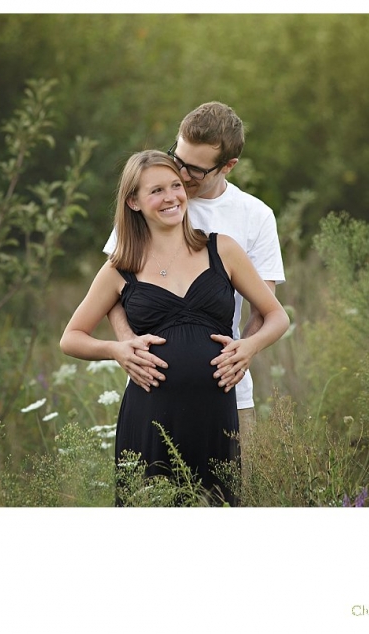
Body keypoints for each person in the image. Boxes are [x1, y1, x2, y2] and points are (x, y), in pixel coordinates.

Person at [61, 150, 290, 505]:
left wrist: (249, 346)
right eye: (156, 191)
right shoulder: (120, 267)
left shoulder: (222, 250)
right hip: (148, 416)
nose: (171, 197)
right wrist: (116, 349)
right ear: (134, 202)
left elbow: (277, 315)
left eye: (175, 186)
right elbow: (71, 338)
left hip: (216, 414)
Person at [103, 101, 285, 443]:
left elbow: (266, 306)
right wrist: (126, 343)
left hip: (227, 394)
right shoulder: (152, 197)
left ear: (228, 166)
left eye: (195, 171)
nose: (182, 176)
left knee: (232, 493)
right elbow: (113, 288)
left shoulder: (254, 216)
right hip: (152, 393)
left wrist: (245, 349)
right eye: (178, 159)